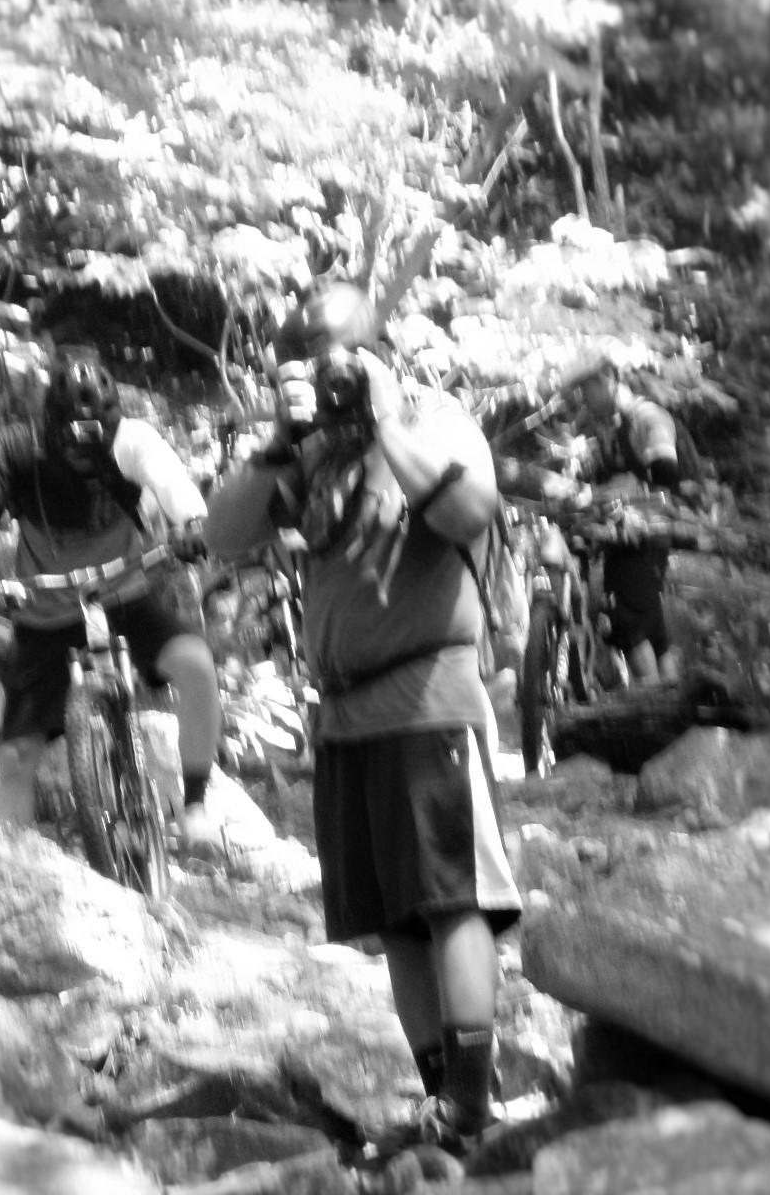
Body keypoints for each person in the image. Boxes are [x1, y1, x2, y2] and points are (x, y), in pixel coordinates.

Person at [205, 283, 522, 1156]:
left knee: (455, 900)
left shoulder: (433, 419)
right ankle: (439, 1101)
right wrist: (275, 445)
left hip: (431, 702)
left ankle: (473, 1106)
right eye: (308, 366)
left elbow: (469, 510)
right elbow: (223, 537)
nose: (327, 381)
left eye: (338, 361)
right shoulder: (303, 455)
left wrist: (384, 421)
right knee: (394, 918)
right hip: (346, 714)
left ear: (376, 354)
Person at [0, 344, 224, 847]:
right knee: (14, 758)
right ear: (52, 424)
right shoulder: (17, 448)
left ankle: (196, 804)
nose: (81, 456)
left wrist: (191, 523)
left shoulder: (129, 441)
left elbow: (168, 477)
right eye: (71, 444)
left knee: (197, 666)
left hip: (124, 599)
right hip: (45, 616)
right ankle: (13, 866)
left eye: (92, 446)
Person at [562, 360, 691, 685]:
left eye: (585, 388)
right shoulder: (614, 427)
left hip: (645, 536)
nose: (582, 397)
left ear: (607, 379)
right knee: (651, 628)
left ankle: (649, 706)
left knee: (628, 623)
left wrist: (628, 506)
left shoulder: (647, 419)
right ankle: (668, 706)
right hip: (624, 536)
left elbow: (666, 479)